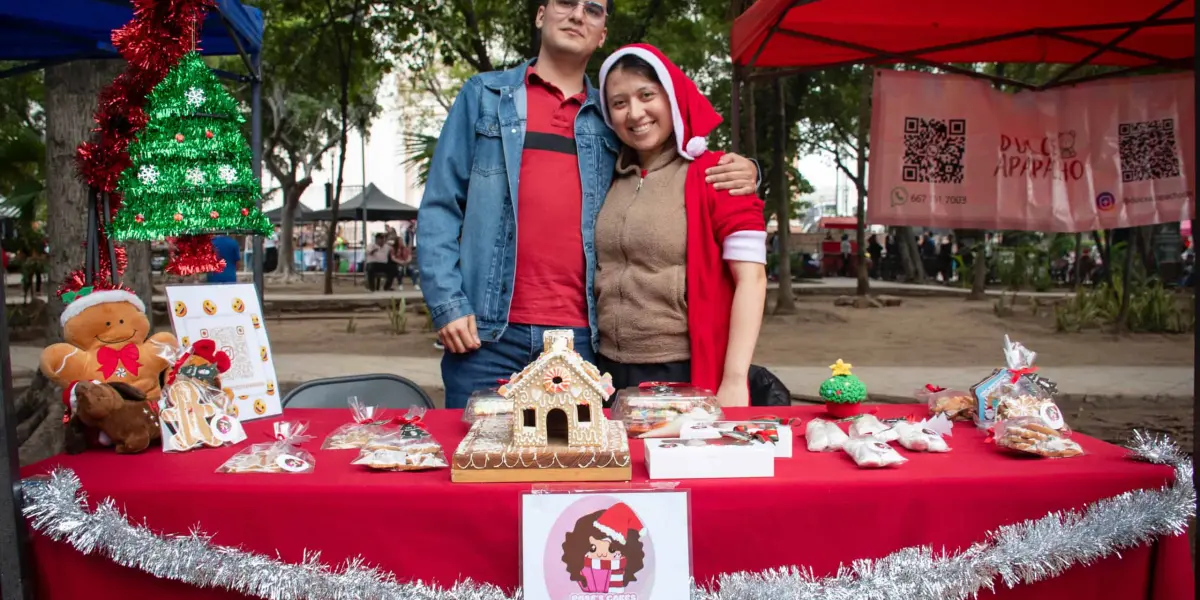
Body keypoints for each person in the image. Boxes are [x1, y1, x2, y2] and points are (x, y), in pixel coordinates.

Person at [417, 0, 760, 408]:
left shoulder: (609, 116)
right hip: (488, 336)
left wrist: (749, 172)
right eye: (566, 2)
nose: (578, 14)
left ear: (602, 34)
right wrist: (447, 304)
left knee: (578, 467)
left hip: (583, 342)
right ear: (541, 14)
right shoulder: (485, 97)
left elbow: (667, 162)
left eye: (593, 9)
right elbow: (440, 206)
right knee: (481, 462)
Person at [594, 44, 767, 406]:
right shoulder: (604, 178)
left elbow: (752, 279)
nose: (635, 113)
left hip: (681, 370)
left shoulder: (719, 174)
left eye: (646, 95)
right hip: (605, 370)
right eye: (619, 102)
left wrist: (735, 379)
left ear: (671, 96)